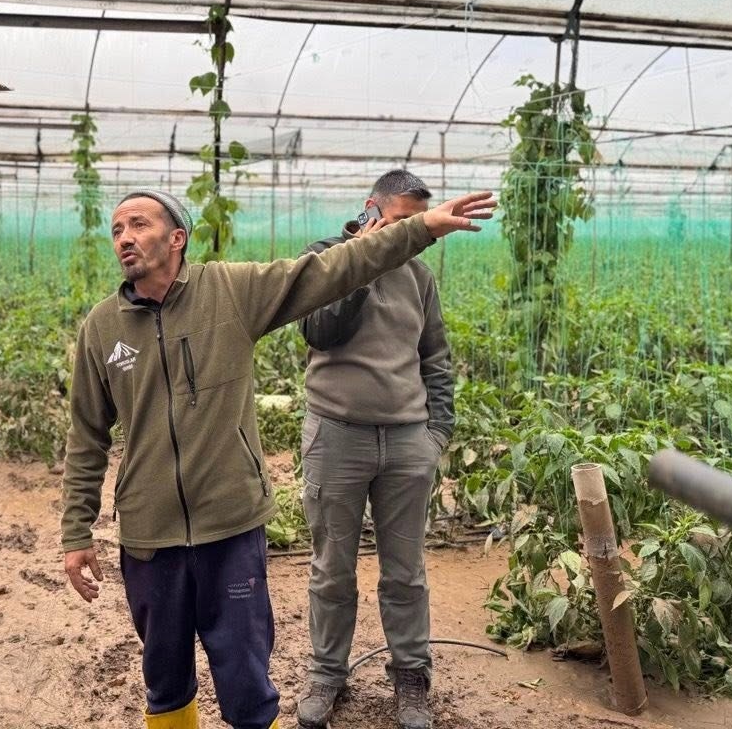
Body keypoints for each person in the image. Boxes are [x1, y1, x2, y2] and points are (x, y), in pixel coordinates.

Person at [61, 186, 495, 729]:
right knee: (164, 676)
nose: (125, 237)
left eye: (139, 225)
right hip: (150, 534)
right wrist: (76, 532)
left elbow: (331, 270)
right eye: (117, 230)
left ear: (177, 238)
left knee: (245, 673)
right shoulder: (102, 327)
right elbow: (86, 436)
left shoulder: (230, 292)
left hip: (231, 524)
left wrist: (421, 228)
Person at [294, 170, 453, 729]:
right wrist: (362, 263)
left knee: (405, 573)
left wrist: (435, 435)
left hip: (407, 442)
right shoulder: (324, 258)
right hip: (336, 437)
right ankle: (327, 675)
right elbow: (320, 332)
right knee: (331, 570)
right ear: (371, 210)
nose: (414, 234)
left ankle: (411, 679)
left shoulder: (421, 277)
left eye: (421, 225)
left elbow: (435, 358)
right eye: (405, 222)